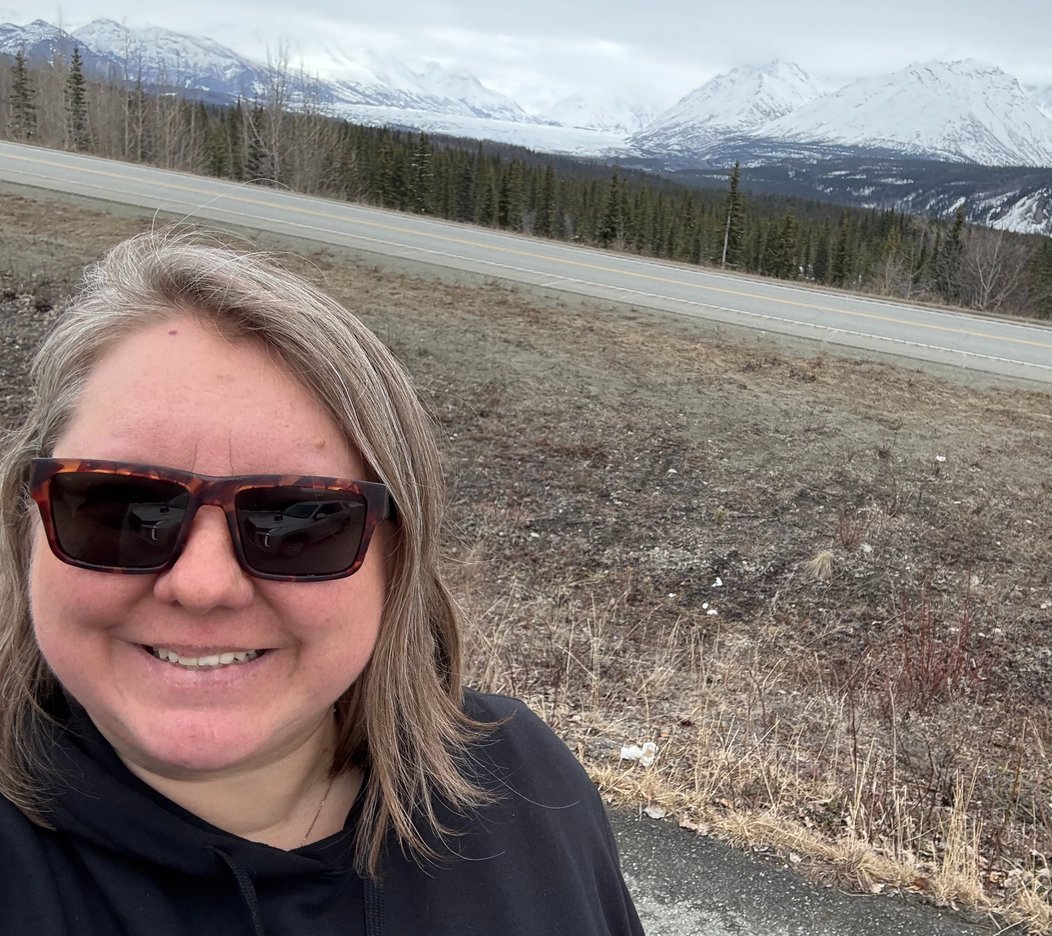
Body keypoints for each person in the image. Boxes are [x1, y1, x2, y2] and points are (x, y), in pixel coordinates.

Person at [0, 232, 645, 935]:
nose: (203, 585)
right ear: (26, 523)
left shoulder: (524, 786)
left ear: (396, 558)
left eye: (299, 522)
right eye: (120, 508)